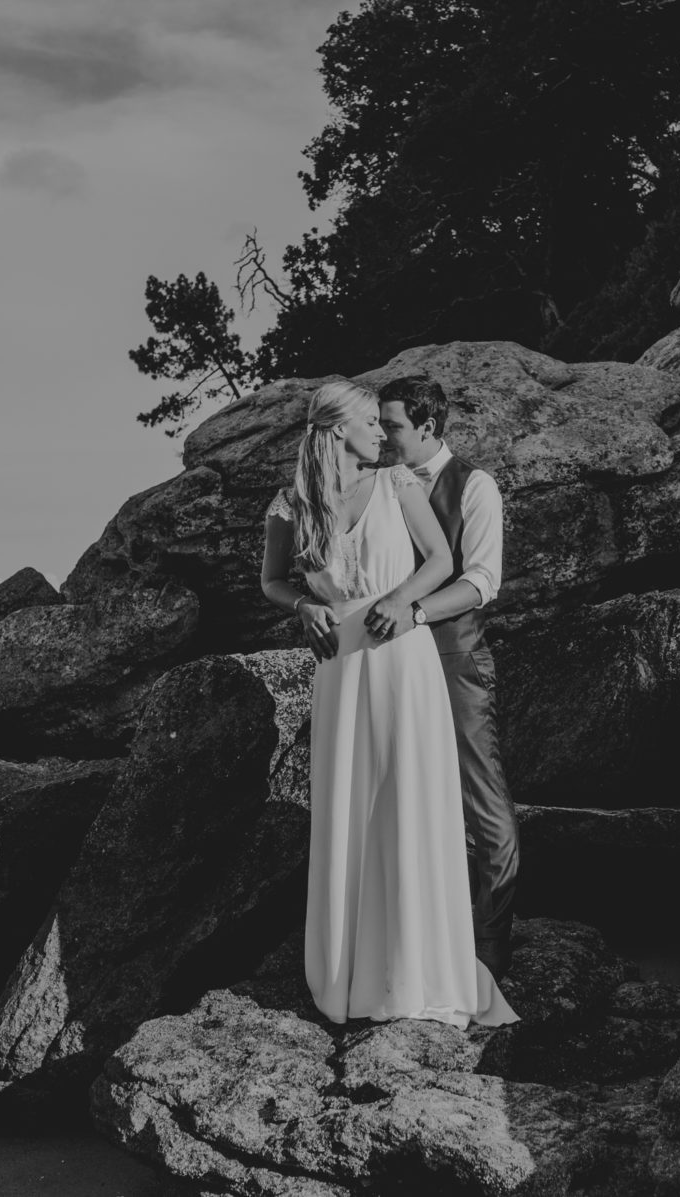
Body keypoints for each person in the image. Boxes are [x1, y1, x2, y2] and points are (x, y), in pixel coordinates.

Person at [260, 380, 517, 1029]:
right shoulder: (290, 506)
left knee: (407, 806)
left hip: (403, 660)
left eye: (383, 421)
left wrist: (403, 602)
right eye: (370, 421)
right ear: (336, 429)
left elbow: (443, 560)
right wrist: (304, 606)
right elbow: (272, 579)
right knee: (350, 812)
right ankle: (352, 974)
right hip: (341, 670)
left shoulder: (398, 483)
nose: (381, 432)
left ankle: (416, 970)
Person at [372, 376, 519, 979]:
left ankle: (489, 944)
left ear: (428, 427)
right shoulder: (382, 481)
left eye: (393, 426)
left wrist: (415, 611)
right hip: (391, 663)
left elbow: (483, 580)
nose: (383, 436)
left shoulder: (475, 486)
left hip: (455, 659)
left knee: (482, 803)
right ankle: (427, 935)